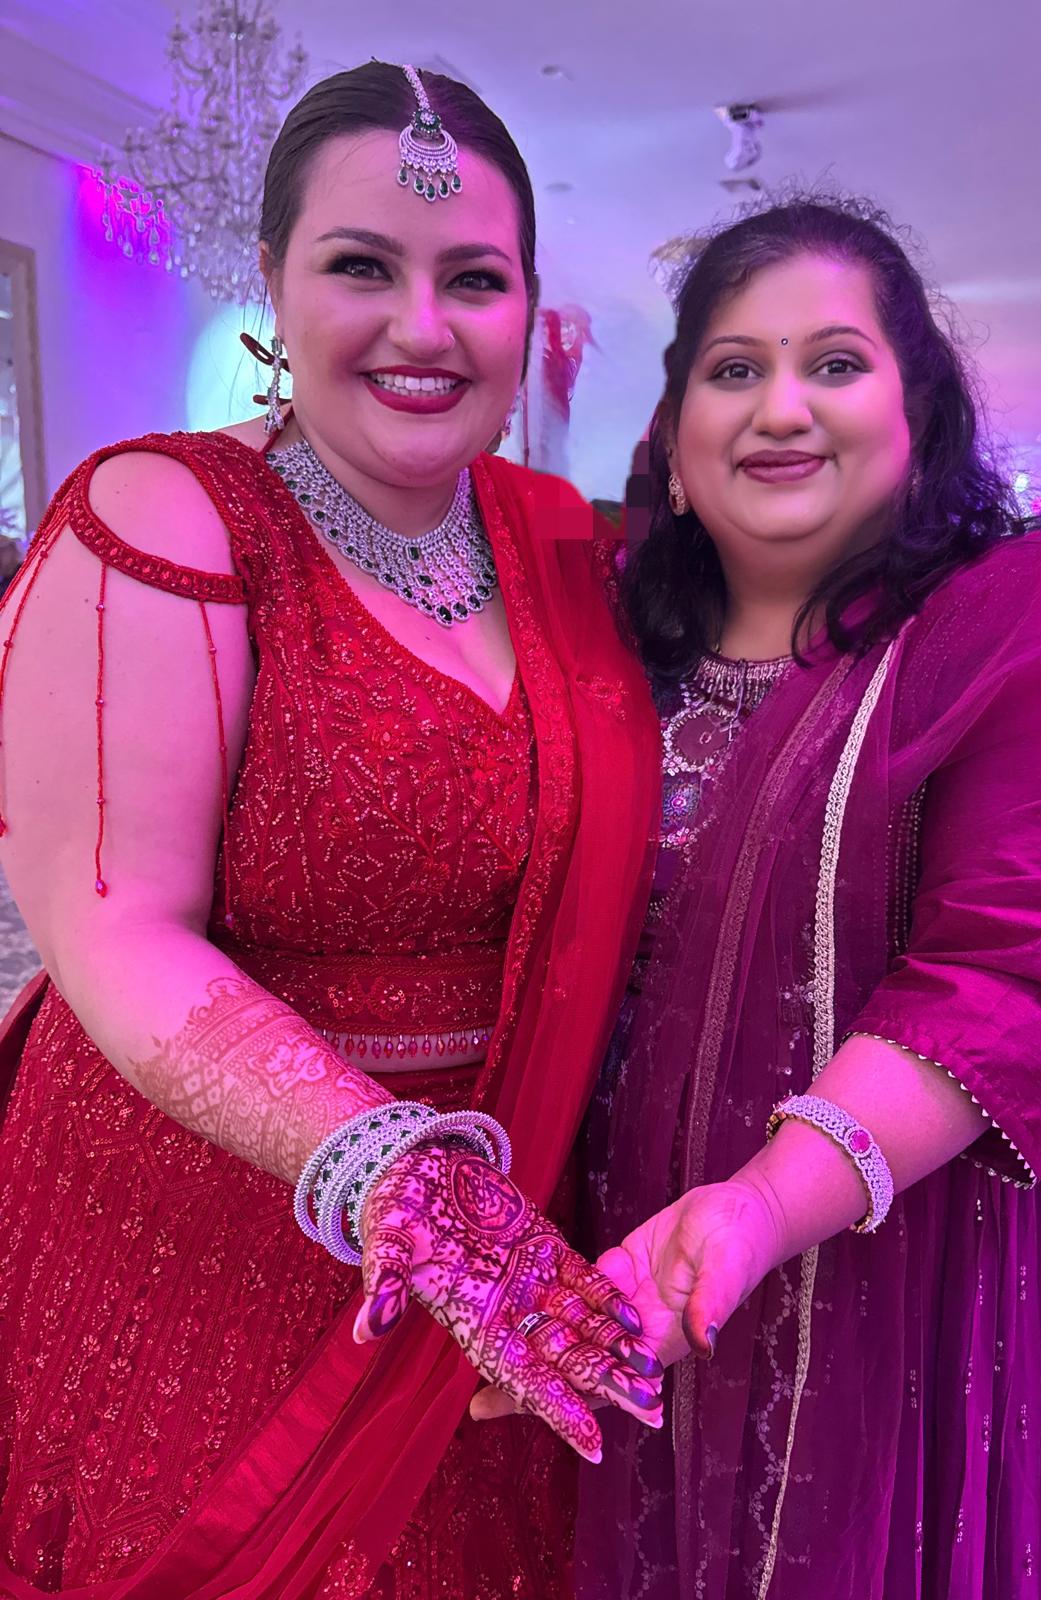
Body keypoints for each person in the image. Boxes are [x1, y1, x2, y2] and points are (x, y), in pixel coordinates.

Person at [0, 61, 664, 1599]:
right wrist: (393, 1172)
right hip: (203, 1226)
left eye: (474, 279)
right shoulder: (166, 518)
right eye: (362, 266)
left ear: (527, 309)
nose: (422, 326)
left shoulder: (558, 543)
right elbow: (111, 919)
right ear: (275, 285)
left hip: (506, 1214)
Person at [553, 195, 1041, 1597]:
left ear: (922, 413)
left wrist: (761, 1205)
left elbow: (1016, 972)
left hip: (907, 1265)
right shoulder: (597, 640)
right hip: (622, 1243)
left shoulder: (1031, 625)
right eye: (734, 367)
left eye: (835, 363)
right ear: (675, 428)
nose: (781, 408)